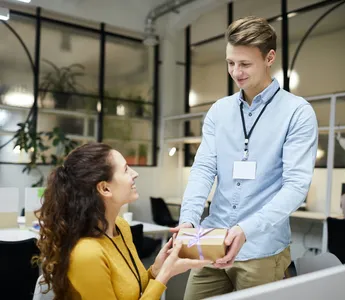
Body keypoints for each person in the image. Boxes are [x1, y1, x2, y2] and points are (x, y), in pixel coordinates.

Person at [171, 16, 318, 299]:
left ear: (269, 58)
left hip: (261, 250)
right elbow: (203, 168)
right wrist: (189, 219)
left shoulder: (297, 112)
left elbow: (296, 187)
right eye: (230, 63)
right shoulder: (219, 111)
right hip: (212, 242)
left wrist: (245, 229)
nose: (236, 72)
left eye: (245, 64)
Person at [34, 142, 211, 300]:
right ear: (105, 188)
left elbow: (132, 292)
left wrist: (156, 270)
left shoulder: (121, 227)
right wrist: (164, 276)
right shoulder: (87, 254)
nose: (135, 174)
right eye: (126, 169)